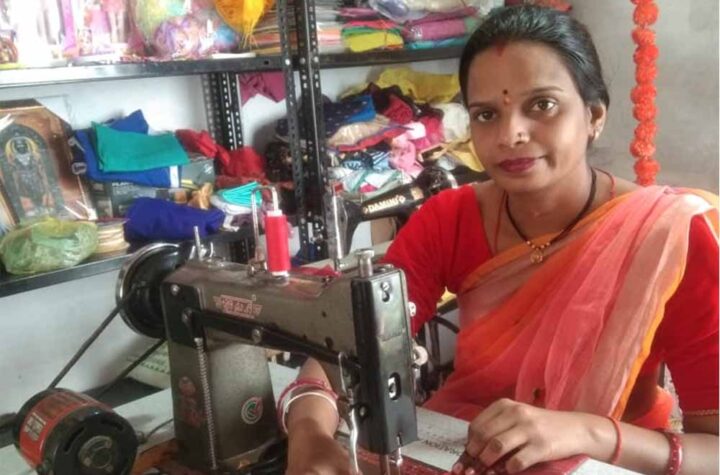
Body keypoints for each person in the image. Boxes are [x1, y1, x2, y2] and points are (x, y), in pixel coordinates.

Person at [282, 5, 719, 475]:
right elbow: (348, 347)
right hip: (467, 452)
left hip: (608, 462)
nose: (510, 134)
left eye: (542, 105)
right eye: (487, 114)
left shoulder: (669, 237)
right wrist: (310, 435)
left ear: (594, 115)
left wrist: (585, 432)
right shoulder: (449, 220)